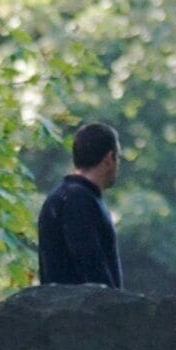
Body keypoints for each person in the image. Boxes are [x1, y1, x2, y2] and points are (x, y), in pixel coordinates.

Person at [36, 122, 123, 287]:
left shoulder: (59, 197)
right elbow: (91, 269)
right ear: (109, 158)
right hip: (83, 310)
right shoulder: (79, 200)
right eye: (118, 158)